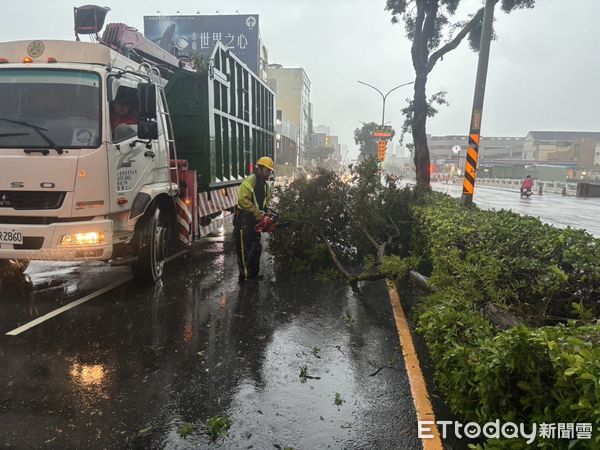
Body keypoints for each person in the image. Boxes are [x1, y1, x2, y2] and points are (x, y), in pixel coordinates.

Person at [234, 156, 274, 283]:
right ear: (260, 168)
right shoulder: (250, 180)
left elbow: (265, 201)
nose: (269, 173)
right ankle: (245, 278)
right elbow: (242, 200)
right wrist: (256, 212)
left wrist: (267, 211)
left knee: (256, 248)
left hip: (256, 222)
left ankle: (253, 275)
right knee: (245, 250)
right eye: (267, 170)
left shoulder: (265, 186)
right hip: (244, 220)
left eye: (270, 171)